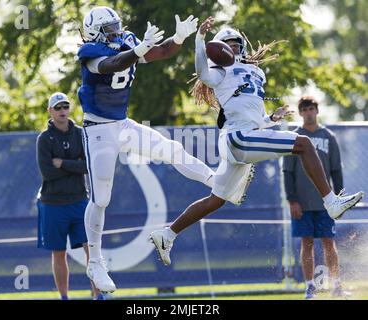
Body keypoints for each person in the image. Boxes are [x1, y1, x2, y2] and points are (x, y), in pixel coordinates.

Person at [149, 16, 363, 268]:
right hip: (237, 139)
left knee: (216, 199)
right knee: (303, 143)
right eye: (227, 45)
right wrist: (199, 40)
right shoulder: (219, 72)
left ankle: (168, 234)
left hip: (242, 136)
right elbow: (202, 71)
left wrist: (271, 118)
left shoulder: (256, 72)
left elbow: (251, 116)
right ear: (219, 50)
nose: (233, 49)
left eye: (236, 44)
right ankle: (331, 202)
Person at [77, 7, 216, 293]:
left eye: (116, 25)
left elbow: (161, 52)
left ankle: (218, 181)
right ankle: (95, 262)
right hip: (99, 130)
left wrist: (178, 39)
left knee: (171, 149)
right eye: (109, 28)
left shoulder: (126, 41)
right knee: (101, 198)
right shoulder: (89, 53)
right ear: (95, 32)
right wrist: (139, 49)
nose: (116, 31)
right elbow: (111, 65)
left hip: (123, 124)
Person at [283, 96, 351, 299]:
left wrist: (340, 198)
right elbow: (288, 171)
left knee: (329, 242)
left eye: (311, 108)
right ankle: (310, 287)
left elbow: (336, 170)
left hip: (326, 203)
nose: (308, 112)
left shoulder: (329, 136)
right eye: (304, 109)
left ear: (317, 111)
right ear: (300, 113)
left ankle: (336, 286)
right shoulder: (294, 137)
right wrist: (292, 199)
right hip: (302, 204)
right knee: (307, 243)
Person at [36, 92, 100, 300]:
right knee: (58, 253)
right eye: (58, 108)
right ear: (50, 111)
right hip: (52, 204)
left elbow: (89, 166)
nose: (62, 111)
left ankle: (97, 295)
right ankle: (64, 297)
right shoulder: (44, 139)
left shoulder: (81, 134)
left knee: (91, 250)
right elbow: (48, 172)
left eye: (65, 106)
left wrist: (63, 163)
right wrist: (75, 166)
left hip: (80, 201)